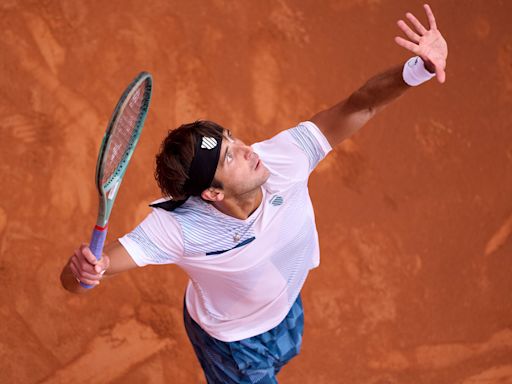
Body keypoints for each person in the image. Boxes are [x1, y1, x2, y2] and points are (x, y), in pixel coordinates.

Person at [60, 4, 448, 383]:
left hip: (286, 308)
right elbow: (80, 280)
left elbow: (359, 107)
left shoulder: (282, 159)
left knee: (285, 353)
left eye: (231, 139)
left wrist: (419, 69)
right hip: (233, 345)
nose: (248, 150)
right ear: (211, 193)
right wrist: (86, 271)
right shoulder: (177, 229)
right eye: (230, 157)